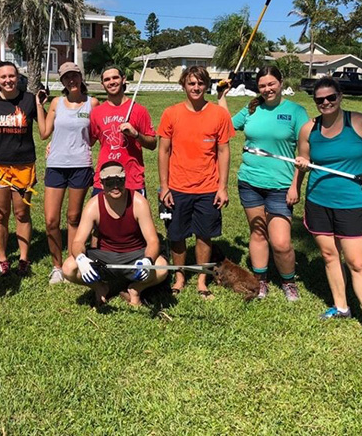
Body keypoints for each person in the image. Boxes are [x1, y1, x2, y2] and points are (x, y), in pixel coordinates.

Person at [295, 77, 362, 349]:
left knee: (356, 262)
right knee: (329, 256)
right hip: (318, 200)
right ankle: (341, 307)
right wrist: (297, 183)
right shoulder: (309, 129)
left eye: (331, 98)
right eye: (320, 100)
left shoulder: (361, 123)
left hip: (353, 202)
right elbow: (303, 163)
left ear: (340, 96)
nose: (326, 103)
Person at [223, 67, 309, 301]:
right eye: (262, 86)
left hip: (281, 185)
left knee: (281, 242)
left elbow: (305, 154)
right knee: (258, 233)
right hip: (250, 181)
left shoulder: (295, 112)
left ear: (281, 83)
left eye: (272, 84)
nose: (267, 89)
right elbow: (226, 127)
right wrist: (222, 97)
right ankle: (261, 281)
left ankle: (288, 282)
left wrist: (295, 186)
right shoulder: (252, 108)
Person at [157, 65, 234, 300]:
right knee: (177, 235)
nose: (196, 87)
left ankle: (201, 280)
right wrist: (164, 186)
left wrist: (222, 187)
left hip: (208, 187)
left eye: (200, 83)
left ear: (206, 85)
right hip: (177, 187)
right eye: (191, 83)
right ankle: (180, 277)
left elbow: (223, 151)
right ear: (183, 85)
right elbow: (163, 151)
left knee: (204, 235)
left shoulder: (219, 115)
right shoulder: (171, 113)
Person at [62, 162, 168, 306]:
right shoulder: (93, 205)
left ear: (125, 180)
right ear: (102, 183)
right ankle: (100, 287)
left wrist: (148, 260)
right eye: (109, 182)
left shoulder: (138, 202)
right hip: (105, 257)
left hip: (135, 255)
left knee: (162, 268)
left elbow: (153, 241)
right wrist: (81, 259)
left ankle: (135, 289)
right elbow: (78, 242)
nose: (115, 186)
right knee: (68, 268)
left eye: (119, 181)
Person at [36, 62, 99, 284]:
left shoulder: (92, 103)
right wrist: (38, 105)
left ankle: (71, 262)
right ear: (61, 81)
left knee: (74, 218)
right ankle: (56, 266)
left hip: (80, 165)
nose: (71, 80)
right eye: (66, 77)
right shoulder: (56, 103)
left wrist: (79, 146)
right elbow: (44, 133)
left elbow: (94, 135)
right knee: (51, 220)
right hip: (56, 165)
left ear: (81, 77)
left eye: (74, 76)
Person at [0, 61, 39, 277]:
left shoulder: (28, 99)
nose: (8, 80)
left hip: (23, 164)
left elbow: (44, 127)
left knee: (22, 212)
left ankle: (24, 259)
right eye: (3, 77)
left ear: (18, 77)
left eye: (11, 76)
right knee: (0, 214)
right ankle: (3, 259)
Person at [89, 65, 157, 196]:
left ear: (123, 79)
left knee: (133, 216)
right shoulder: (96, 113)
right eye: (107, 79)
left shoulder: (139, 110)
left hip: (132, 179)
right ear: (102, 84)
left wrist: (136, 135)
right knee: (101, 216)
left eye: (115, 77)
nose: (112, 82)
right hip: (104, 178)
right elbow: (88, 141)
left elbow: (153, 143)